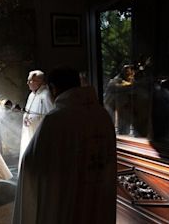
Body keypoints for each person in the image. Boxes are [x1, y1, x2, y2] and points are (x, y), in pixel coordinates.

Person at [13, 67, 117, 224]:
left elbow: (30, 165)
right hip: (99, 192)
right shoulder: (102, 115)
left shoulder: (55, 120)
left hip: (69, 198)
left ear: (53, 88)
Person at [19, 70, 53, 166]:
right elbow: (28, 111)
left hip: (40, 133)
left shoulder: (46, 95)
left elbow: (51, 116)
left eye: (30, 81)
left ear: (39, 82)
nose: (27, 83)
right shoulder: (31, 95)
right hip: (29, 130)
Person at [103, 64, 136, 135]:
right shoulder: (118, 80)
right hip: (110, 102)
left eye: (131, 73)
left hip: (115, 101)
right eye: (129, 73)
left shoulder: (125, 80)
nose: (131, 75)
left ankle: (122, 133)